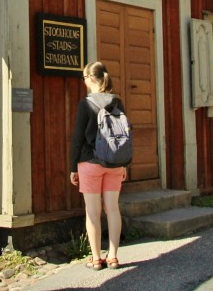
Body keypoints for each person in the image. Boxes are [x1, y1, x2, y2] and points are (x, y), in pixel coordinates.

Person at [69, 61, 127, 270]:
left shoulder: (86, 104)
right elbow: (123, 134)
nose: (83, 81)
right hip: (114, 162)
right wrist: (123, 163)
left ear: (92, 79)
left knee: (92, 212)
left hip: (90, 162)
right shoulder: (117, 101)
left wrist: (73, 167)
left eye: (84, 78)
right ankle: (112, 257)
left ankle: (96, 258)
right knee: (112, 209)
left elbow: (77, 138)